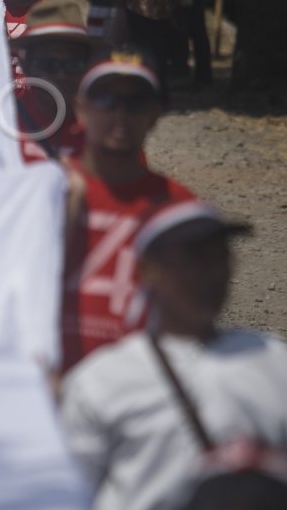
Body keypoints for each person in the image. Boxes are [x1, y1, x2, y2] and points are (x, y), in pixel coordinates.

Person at [61, 198, 287, 510]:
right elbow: (67, 495)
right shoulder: (101, 381)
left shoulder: (272, 357)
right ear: (148, 270)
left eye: (220, 257)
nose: (210, 274)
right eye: (192, 259)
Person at [61, 50, 195, 374]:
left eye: (135, 102)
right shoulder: (44, 190)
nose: (120, 113)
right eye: (105, 99)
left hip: (139, 387)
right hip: (48, 383)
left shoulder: (180, 208)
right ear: (81, 109)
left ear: (154, 114)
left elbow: (193, 314)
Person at [13, 0, 102, 161]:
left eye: (74, 65)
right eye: (48, 65)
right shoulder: (4, 122)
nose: (61, 75)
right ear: (26, 67)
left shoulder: (107, 127)